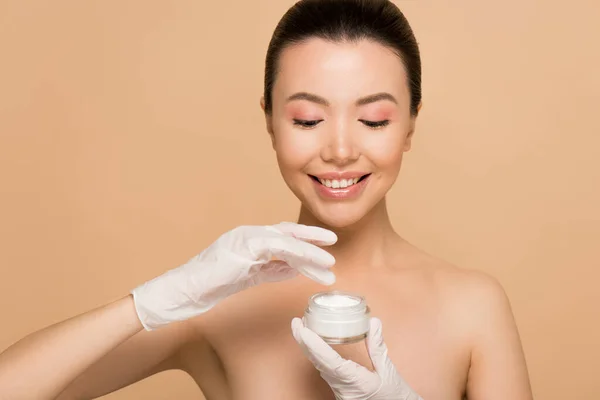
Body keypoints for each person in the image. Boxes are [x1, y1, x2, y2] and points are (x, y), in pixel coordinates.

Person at [0, 0, 534, 399]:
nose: (340, 150)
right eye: (308, 119)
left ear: (410, 125)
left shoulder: (472, 306)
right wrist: (150, 303)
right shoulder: (216, 302)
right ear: (270, 121)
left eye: (374, 120)